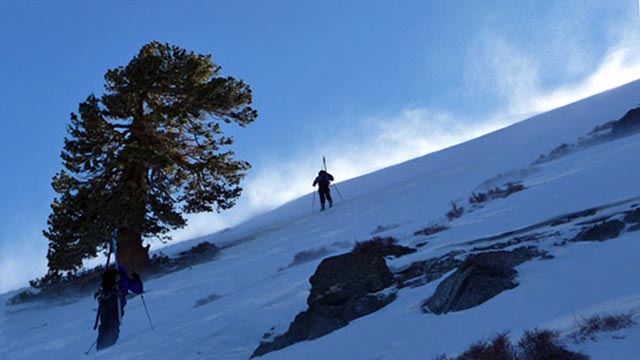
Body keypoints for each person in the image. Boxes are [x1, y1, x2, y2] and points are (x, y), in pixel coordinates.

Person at [95, 265, 143, 350]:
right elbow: (138, 289)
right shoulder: (124, 279)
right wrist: (137, 280)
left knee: (105, 326)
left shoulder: (107, 277)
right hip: (116, 306)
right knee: (113, 327)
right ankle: (107, 348)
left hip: (105, 305)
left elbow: (101, 291)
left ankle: (101, 347)